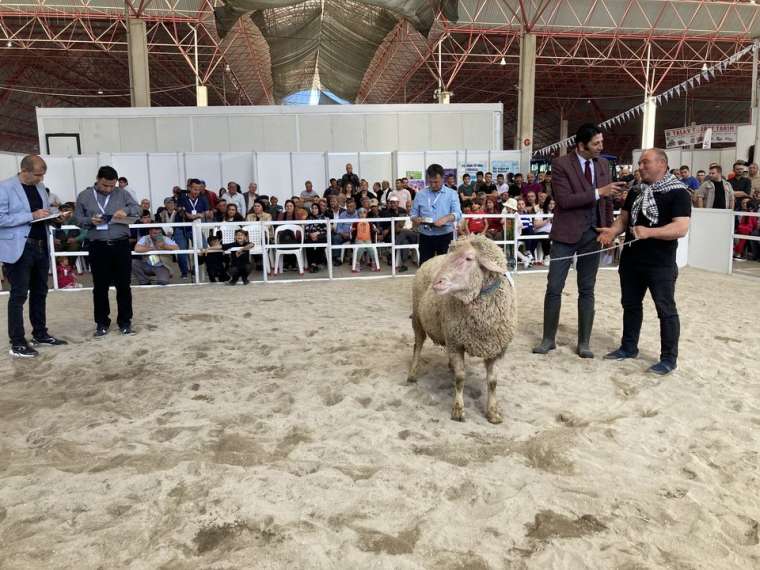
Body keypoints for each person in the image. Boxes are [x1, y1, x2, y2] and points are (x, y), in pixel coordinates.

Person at [597, 148, 691, 375]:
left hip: (660, 263)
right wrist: (612, 231)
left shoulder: (678, 192)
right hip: (631, 260)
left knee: (665, 309)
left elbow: (681, 227)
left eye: (645, 163)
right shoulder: (637, 191)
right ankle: (629, 347)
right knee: (629, 305)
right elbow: (624, 219)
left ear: (662, 164)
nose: (640, 167)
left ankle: (669, 358)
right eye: (640, 163)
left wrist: (649, 232)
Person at [533, 123, 624, 357]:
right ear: (581, 145)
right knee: (554, 287)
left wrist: (608, 230)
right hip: (565, 235)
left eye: (601, 142)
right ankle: (548, 339)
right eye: (596, 144)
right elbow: (563, 200)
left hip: (592, 235)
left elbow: (607, 200)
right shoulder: (561, 164)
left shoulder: (603, 164)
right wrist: (598, 192)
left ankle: (584, 343)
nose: (600, 147)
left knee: (587, 289)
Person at [1, 155, 72, 357]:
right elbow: (1, 218)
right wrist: (31, 216)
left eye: (42, 175)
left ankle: (40, 334)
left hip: (41, 245)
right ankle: (17, 342)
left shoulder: (40, 187)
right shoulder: (4, 187)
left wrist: (56, 216)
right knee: (19, 295)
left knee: (41, 292)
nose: (41, 179)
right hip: (19, 248)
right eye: (38, 175)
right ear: (25, 170)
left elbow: (44, 212)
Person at [74, 165, 140, 337]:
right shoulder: (84, 195)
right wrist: (90, 221)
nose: (109, 189)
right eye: (105, 185)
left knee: (124, 285)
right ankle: (102, 322)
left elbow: (137, 209)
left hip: (121, 244)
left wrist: (125, 210)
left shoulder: (122, 193)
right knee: (100, 286)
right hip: (98, 246)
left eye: (112, 185)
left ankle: (125, 322)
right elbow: (77, 219)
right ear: (97, 179)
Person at [410, 164, 462, 265]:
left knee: (445, 268)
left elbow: (458, 213)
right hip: (425, 236)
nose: (433, 185)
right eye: (431, 182)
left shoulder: (452, 194)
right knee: (425, 267)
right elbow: (413, 214)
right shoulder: (420, 194)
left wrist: (446, 218)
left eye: (436, 182)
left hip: (445, 236)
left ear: (443, 179)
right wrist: (416, 219)